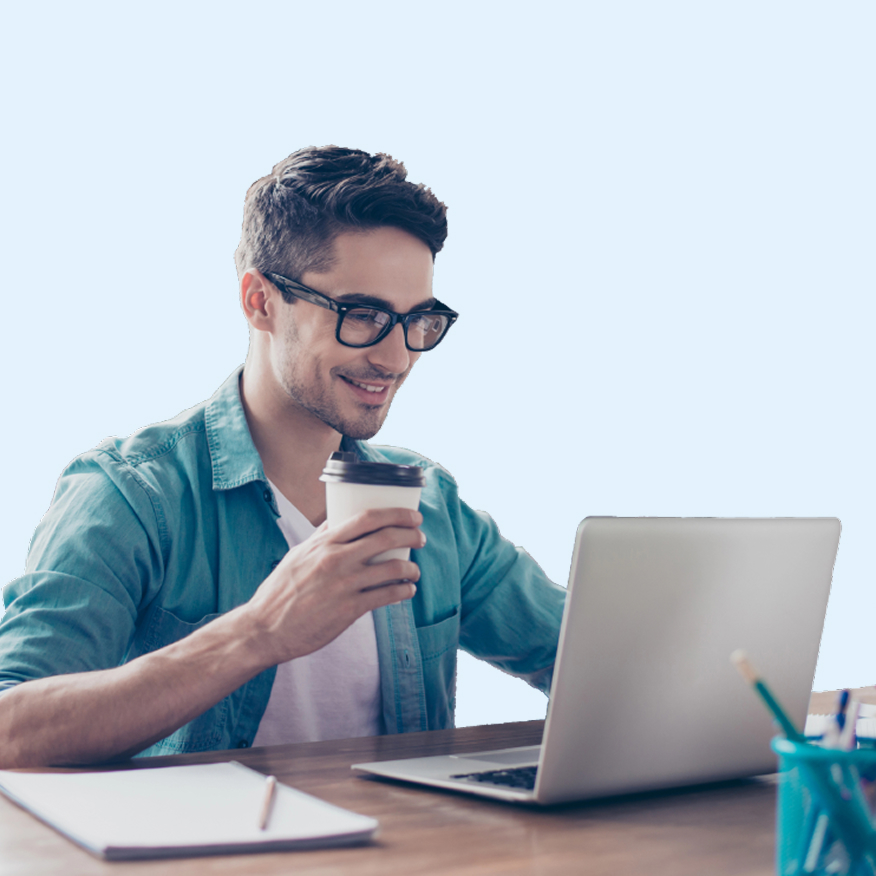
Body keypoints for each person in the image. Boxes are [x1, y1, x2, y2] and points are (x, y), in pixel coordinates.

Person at [0, 146, 566, 768]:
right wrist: (257, 632)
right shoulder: (133, 495)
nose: (398, 357)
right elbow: (11, 729)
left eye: (417, 321)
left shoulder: (431, 503)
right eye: (363, 315)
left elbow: (585, 657)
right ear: (259, 300)